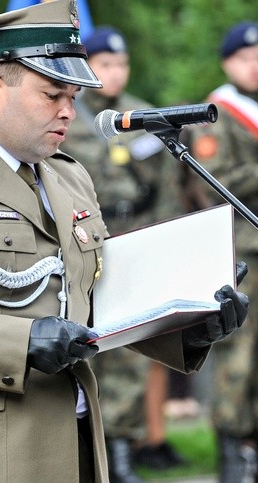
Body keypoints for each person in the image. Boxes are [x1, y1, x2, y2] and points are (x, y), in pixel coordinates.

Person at [0, 0, 248, 482]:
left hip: (74, 446)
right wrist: (21, 342)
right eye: (52, 95)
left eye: (74, 97)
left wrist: (190, 325)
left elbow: (96, 302)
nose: (69, 111)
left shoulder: (69, 177)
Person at [63, 25, 186, 482]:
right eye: (105, 64)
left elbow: (168, 185)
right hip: (88, 241)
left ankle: (120, 452)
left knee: (132, 346)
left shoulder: (141, 114)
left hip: (135, 237)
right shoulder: (67, 115)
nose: (115, 73)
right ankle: (90, 447)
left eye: (121, 64)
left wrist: (165, 239)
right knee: (91, 345)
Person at [190, 21, 258, 483]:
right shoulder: (217, 112)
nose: (256, 66)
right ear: (228, 63)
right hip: (243, 246)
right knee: (239, 353)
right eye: (246, 58)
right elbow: (216, 182)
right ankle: (233, 453)